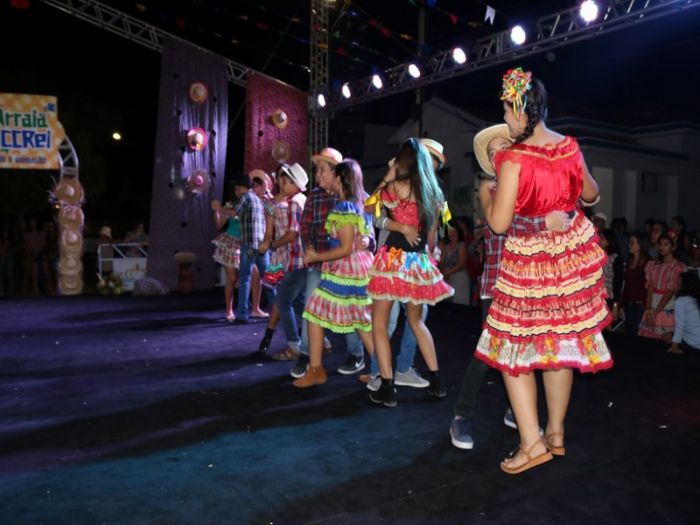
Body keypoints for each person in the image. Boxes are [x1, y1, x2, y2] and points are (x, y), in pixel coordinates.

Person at [474, 68, 613, 474]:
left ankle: (531, 444)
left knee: (511, 350)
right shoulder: (569, 147)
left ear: (521, 110)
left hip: (529, 265)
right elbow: (593, 194)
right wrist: (564, 204)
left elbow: (499, 224)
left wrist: (488, 198)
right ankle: (556, 433)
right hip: (568, 263)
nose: (506, 118)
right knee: (559, 348)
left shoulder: (513, 158)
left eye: (507, 110)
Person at [449, 123, 570, 450]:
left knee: (529, 351)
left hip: (531, 285)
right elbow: (502, 225)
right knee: (489, 353)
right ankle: (461, 415)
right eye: (491, 152)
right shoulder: (488, 188)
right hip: (498, 285)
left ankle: (516, 411)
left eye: (503, 146)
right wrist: (544, 221)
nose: (497, 154)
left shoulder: (531, 187)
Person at [365, 138, 454, 407]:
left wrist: (389, 174)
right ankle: (436, 381)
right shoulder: (434, 193)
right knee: (417, 322)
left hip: (392, 262)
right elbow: (432, 238)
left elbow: (368, 207)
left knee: (379, 324)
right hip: (417, 263)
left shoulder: (396, 186)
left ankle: (387, 387)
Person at [285, 147, 374, 379]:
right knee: (317, 311)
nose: (318, 174)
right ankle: (310, 359)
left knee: (353, 316)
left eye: (322, 169)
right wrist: (310, 249)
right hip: (327, 266)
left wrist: (366, 240)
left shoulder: (354, 199)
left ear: (337, 174)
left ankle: (361, 359)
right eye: (316, 170)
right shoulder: (315, 197)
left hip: (345, 268)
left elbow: (363, 237)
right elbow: (305, 227)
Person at [258, 163, 308, 359]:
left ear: (294, 183)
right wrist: (268, 243)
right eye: (279, 178)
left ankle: (293, 345)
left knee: (284, 300)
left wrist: (271, 245)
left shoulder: (295, 201)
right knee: (296, 301)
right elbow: (269, 231)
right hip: (287, 255)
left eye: (284, 179)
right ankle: (319, 341)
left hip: (294, 255)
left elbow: (292, 234)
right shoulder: (280, 202)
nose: (280, 182)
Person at [230, 174, 269, 324]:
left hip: (249, 246)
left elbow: (234, 212)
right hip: (262, 246)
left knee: (245, 279)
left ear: (242, 188)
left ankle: (242, 315)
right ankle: (279, 310)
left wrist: (219, 209)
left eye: (237, 188)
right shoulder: (258, 200)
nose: (236, 192)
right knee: (270, 280)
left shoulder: (245, 197)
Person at [638, 233, 686, 342]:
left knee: (664, 339)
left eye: (666, 244)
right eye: (660, 244)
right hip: (653, 305)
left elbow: (670, 292)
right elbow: (650, 288)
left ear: (673, 247)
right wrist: (648, 311)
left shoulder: (677, 267)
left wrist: (655, 313)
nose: (662, 247)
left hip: (666, 305)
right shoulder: (654, 265)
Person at [212, 185, 243, 322]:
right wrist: (216, 211)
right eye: (236, 189)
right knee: (232, 278)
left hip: (245, 244)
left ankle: (248, 307)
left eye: (241, 188)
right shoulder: (230, 205)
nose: (238, 191)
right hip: (230, 243)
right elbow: (219, 225)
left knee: (249, 277)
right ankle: (229, 310)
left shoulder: (249, 205)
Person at [619, 232, 650, 336]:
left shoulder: (648, 263)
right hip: (629, 304)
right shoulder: (630, 261)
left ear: (640, 245)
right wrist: (621, 305)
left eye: (632, 242)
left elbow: (650, 287)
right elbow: (627, 285)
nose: (629, 245)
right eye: (630, 242)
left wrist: (646, 304)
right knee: (629, 334)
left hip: (640, 306)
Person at [668, 270, 700, 354]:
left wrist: (674, 345)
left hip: (694, 342)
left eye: (679, 283)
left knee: (666, 335)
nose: (677, 285)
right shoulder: (696, 298)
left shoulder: (682, 300)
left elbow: (680, 325)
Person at [439, 221, 470, 305]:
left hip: (459, 278)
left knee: (459, 305)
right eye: (450, 232)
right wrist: (443, 272)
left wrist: (447, 273)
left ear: (458, 233)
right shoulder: (445, 247)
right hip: (447, 278)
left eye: (455, 232)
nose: (452, 234)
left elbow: (461, 264)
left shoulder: (462, 245)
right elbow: (441, 262)